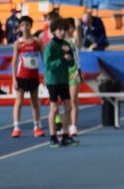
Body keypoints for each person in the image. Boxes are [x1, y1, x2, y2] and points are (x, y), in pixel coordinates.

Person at [43, 18, 78, 147]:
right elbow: (48, 66)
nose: (63, 32)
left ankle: (65, 135)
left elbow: (72, 63)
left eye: (64, 29)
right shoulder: (50, 46)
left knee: (68, 107)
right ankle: (53, 137)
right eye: (60, 30)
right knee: (54, 108)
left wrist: (68, 56)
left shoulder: (66, 44)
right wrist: (62, 60)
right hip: (52, 81)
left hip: (63, 80)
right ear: (54, 31)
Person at [11, 16, 43, 139]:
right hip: (22, 76)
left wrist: (47, 73)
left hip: (34, 76)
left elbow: (45, 57)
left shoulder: (37, 41)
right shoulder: (18, 43)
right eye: (22, 25)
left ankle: (37, 127)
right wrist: (14, 79)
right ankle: (16, 127)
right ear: (20, 27)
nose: (25, 27)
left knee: (35, 102)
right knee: (19, 102)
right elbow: (14, 62)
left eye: (27, 24)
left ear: (31, 26)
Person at [63, 18, 81, 137]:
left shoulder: (74, 40)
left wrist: (78, 27)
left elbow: (79, 41)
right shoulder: (61, 42)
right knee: (66, 101)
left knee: (73, 99)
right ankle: (67, 125)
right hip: (63, 72)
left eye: (70, 27)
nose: (68, 29)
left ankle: (73, 125)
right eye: (66, 27)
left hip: (74, 71)